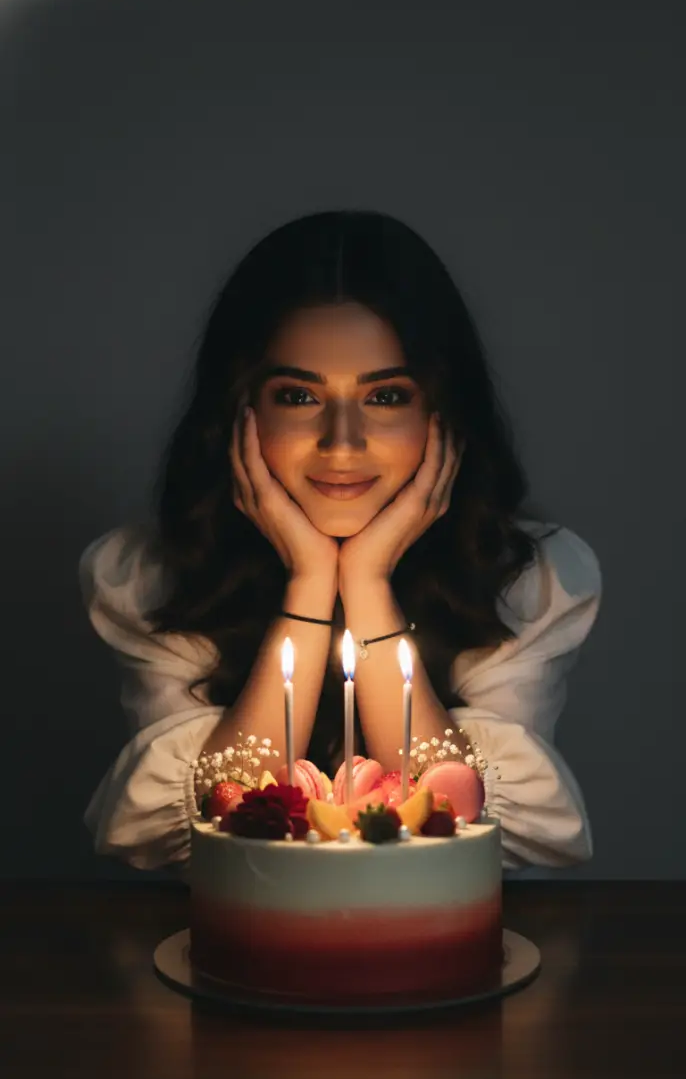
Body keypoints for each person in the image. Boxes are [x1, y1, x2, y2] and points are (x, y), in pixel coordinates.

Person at [80, 209, 601, 874]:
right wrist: (307, 585)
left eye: (386, 397)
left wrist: (367, 584)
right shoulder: (146, 576)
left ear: (441, 413)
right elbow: (209, 831)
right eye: (299, 395)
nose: (343, 442)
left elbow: (476, 839)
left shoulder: (534, 579)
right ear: (240, 411)